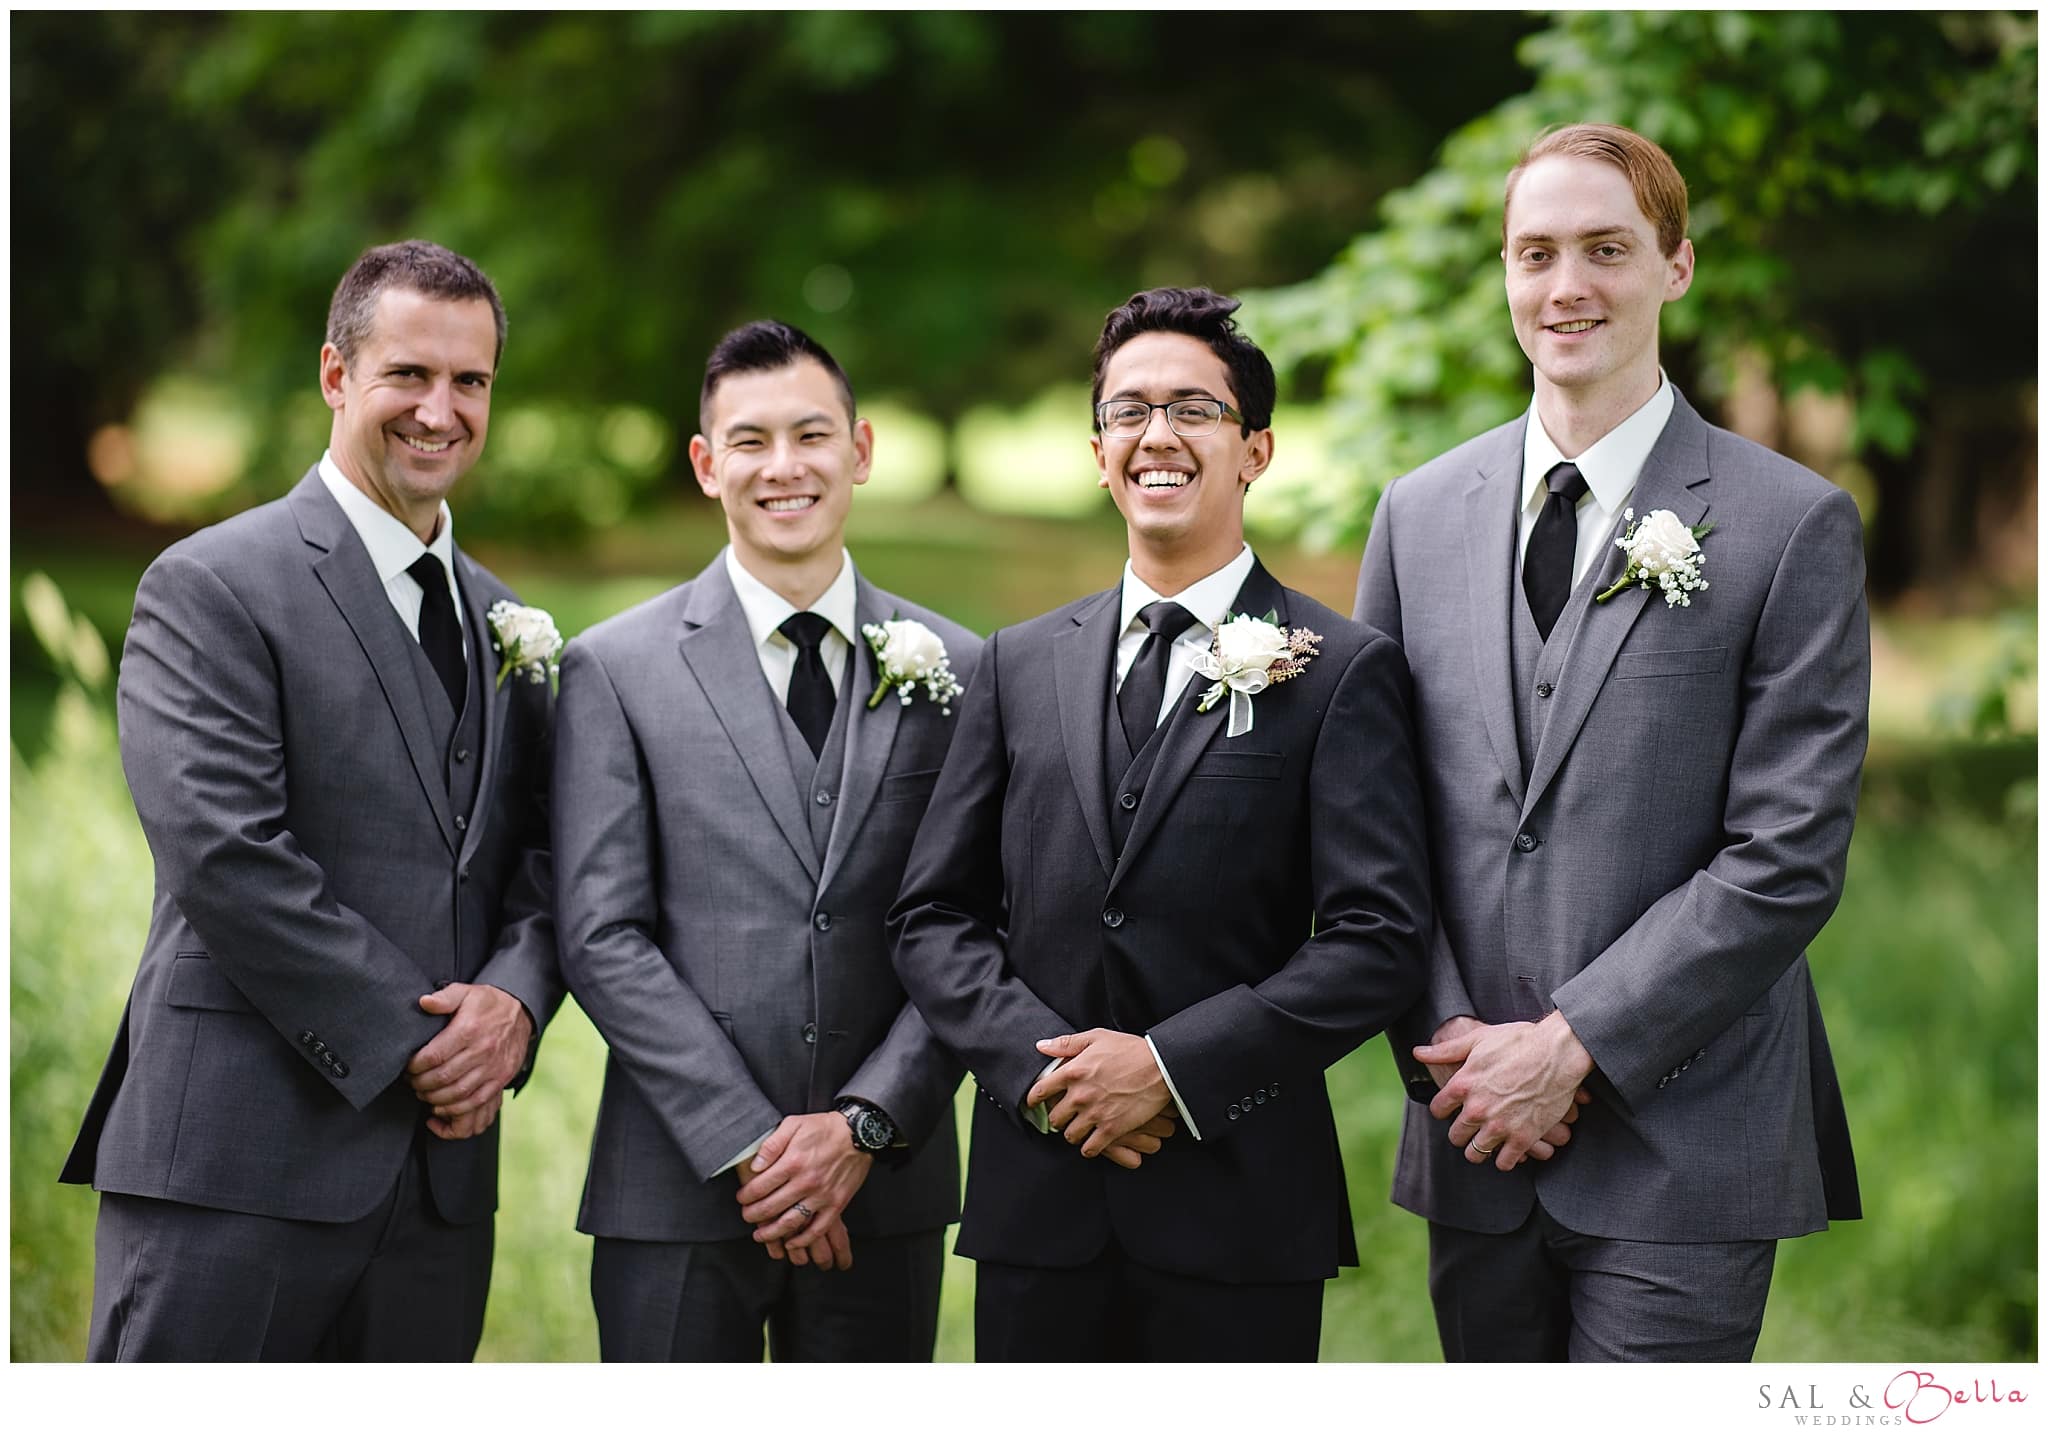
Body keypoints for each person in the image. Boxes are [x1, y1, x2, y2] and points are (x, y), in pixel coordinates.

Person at [1355, 122, 1868, 1362]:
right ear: (1503, 273)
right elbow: (1367, 829)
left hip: (1684, 1144)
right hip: (1473, 1122)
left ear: (1674, 266)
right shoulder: (1415, 515)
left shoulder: (1787, 521)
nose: (1565, 285)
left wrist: (1570, 1045)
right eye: (1534, 253)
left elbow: (1785, 853)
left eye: (1604, 248)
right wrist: (1458, 1065)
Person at [888, 286, 1431, 1362]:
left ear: (1255, 449)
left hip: (1239, 1207)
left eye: (1193, 407)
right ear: (1098, 454)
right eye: (1127, 411)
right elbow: (931, 916)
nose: (1157, 434)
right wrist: (1044, 1074)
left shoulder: (1339, 670)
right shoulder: (1017, 661)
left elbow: (1377, 939)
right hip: (1037, 1205)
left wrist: (1171, 1068)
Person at [61, 240, 563, 1361]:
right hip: (237, 1161)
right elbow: (225, 852)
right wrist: (416, 1039)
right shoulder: (212, 585)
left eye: (469, 381)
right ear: (336, 376)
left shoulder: (508, 619)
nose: (440, 409)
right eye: (408, 375)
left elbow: (544, 859)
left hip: (439, 1186)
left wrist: (513, 1007)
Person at [553, 321, 977, 1362]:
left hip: (884, 1187)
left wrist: (864, 1126)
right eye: (748, 441)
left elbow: (975, 927)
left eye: (810, 434)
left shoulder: (960, 668)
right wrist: (750, 1144)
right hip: (674, 1187)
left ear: (860, 450)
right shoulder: (615, 667)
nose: (782, 467)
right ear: (705, 464)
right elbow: (602, 933)